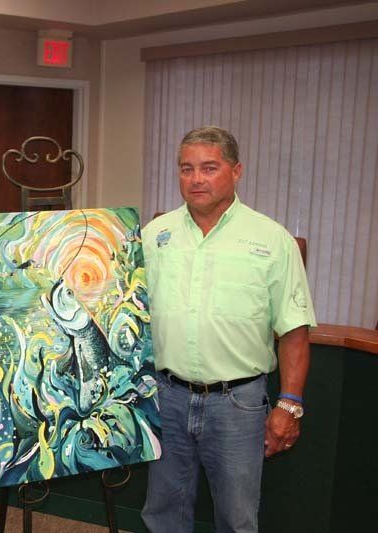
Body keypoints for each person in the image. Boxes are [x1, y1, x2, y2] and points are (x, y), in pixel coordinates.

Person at [140, 126, 316, 533]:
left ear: (236, 172)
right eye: (186, 168)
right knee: (162, 513)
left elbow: (294, 332)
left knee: (237, 520)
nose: (196, 178)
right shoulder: (155, 235)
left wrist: (289, 405)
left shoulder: (272, 240)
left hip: (238, 404)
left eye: (209, 167)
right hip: (165, 398)